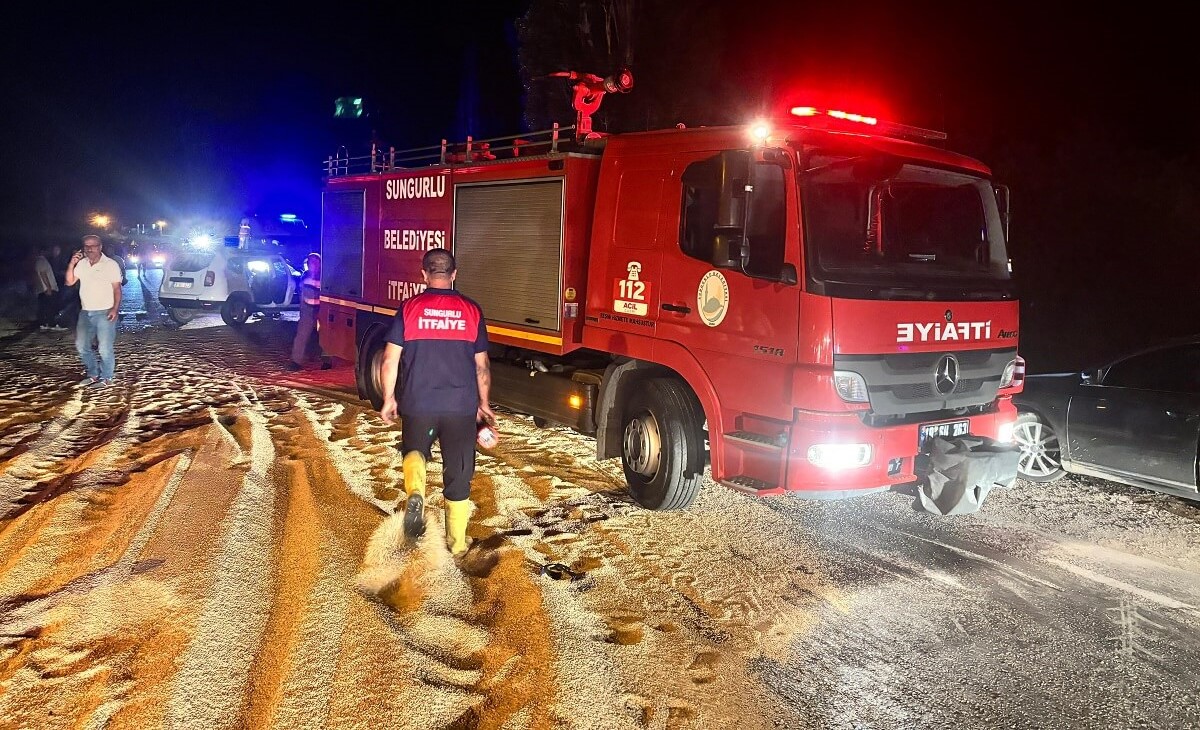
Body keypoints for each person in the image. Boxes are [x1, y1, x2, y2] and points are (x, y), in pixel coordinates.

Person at [379, 248, 494, 555]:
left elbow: (390, 360)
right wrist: (484, 403)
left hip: (420, 403)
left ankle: (416, 492)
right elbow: (481, 365)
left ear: (424, 274)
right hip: (460, 406)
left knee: (416, 450)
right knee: (458, 471)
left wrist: (389, 398)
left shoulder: (410, 308)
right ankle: (456, 545)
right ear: (454, 274)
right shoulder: (471, 310)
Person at [66, 235, 123, 387]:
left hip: (105, 312)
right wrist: (72, 264)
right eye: (86, 246)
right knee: (81, 346)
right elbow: (69, 281)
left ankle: (107, 378)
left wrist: (115, 309)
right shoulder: (82, 264)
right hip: (85, 312)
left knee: (104, 347)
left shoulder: (110, 264)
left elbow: (117, 289)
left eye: (93, 246)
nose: (89, 249)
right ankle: (93, 374)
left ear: (100, 247)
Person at [287, 253, 331, 371]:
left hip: (320, 311)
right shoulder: (305, 276)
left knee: (325, 335)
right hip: (307, 311)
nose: (313, 265)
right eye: (311, 262)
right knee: (301, 335)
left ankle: (327, 360)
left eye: (316, 262)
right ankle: (296, 361)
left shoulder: (324, 277)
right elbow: (305, 295)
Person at [33, 245, 65, 330]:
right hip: (46, 289)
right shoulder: (42, 260)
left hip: (42, 289)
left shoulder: (38, 261)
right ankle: (52, 324)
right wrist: (49, 287)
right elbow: (43, 274)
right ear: (43, 252)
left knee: (45, 307)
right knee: (51, 307)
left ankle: (45, 323)